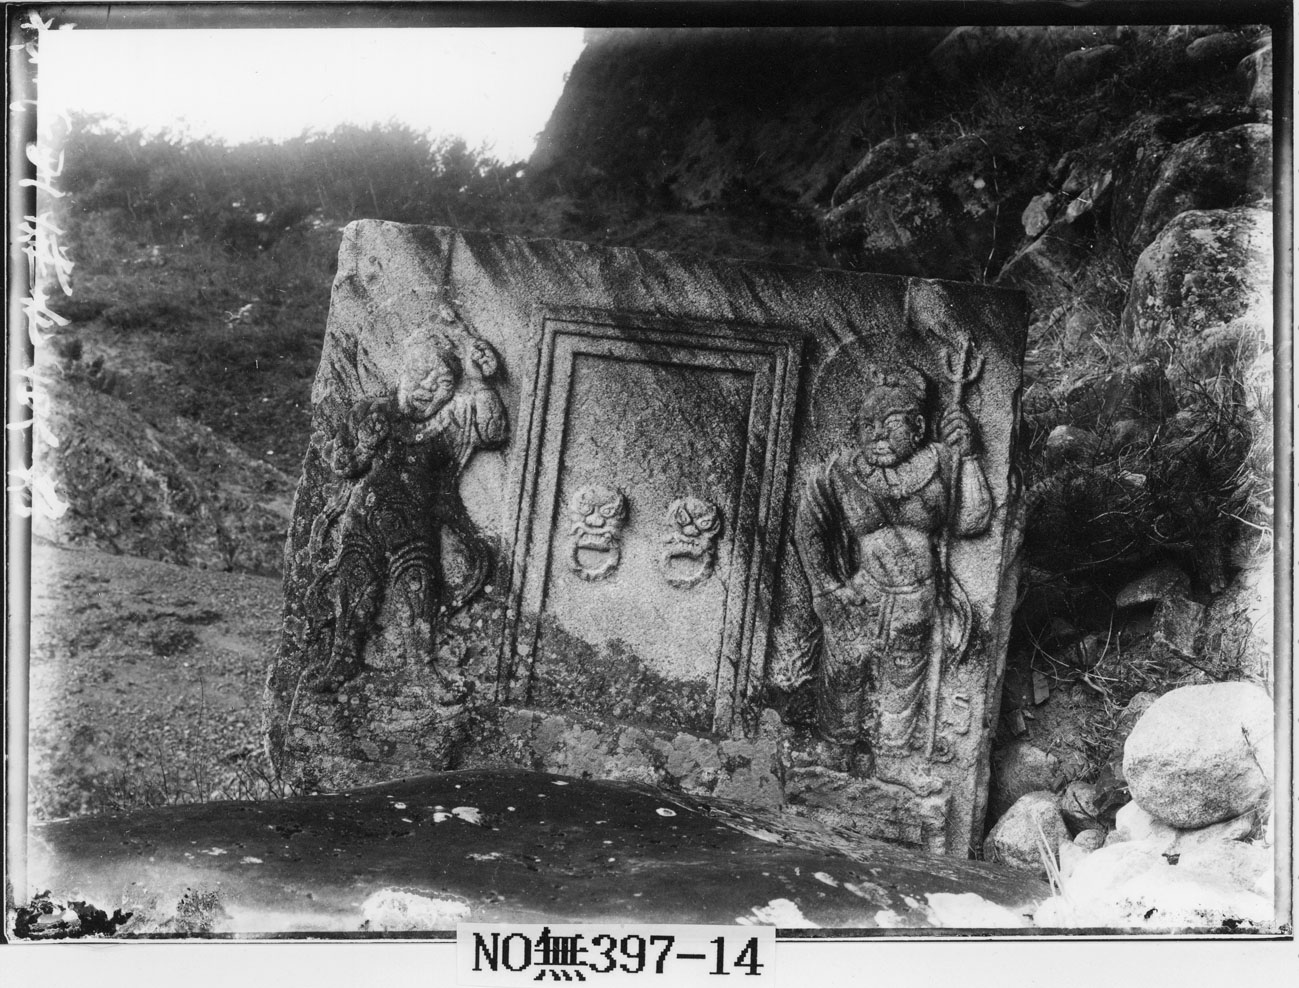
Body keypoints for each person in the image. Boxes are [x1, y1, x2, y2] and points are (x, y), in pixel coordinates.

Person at [794, 364, 991, 786]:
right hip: (861, 592)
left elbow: (972, 521)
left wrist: (971, 456)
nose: (876, 434)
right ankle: (834, 754)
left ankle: (892, 762)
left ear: (918, 426)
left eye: (889, 422)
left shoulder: (942, 461)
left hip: (916, 596)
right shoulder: (842, 471)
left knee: (904, 678)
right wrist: (824, 587)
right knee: (846, 670)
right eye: (866, 425)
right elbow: (808, 525)